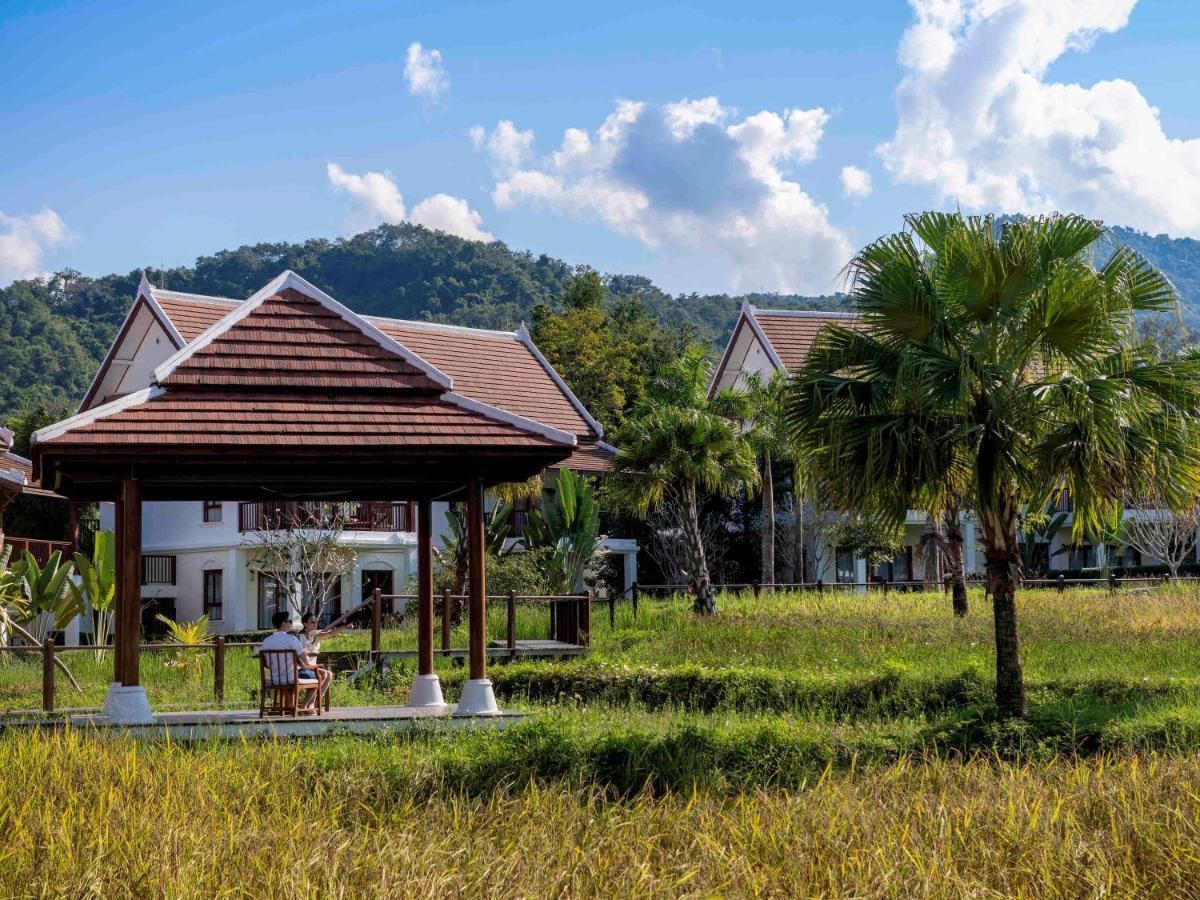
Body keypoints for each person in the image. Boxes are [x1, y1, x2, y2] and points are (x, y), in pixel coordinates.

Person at [259, 611, 319, 712]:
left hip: (274, 679)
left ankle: (288, 707)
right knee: (318, 677)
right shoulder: (292, 639)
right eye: (289, 621)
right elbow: (306, 661)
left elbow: (268, 665)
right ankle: (302, 707)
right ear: (283, 623)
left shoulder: (266, 641)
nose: (291, 623)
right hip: (291, 679)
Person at [298, 612, 353, 708]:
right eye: (312, 621)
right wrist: (311, 654)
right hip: (303, 667)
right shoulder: (299, 637)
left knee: (330, 674)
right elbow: (299, 654)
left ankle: (314, 702)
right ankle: (307, 704)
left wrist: (344, 627)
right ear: (305, 623)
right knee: (323, 674)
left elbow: (330, 633)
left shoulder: (315, 635)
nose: (315, 623)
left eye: (316, 621)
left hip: (313, 667)